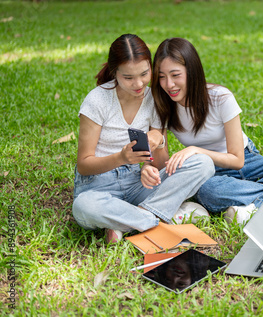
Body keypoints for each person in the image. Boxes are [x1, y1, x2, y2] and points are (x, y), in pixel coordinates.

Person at [150, 37, 263, 224]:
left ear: (192, 71)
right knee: (208, 192)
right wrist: (159, 141)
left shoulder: (220, 98)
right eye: (162, 77)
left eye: (175, 75)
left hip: (248, 161)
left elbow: (237, 160)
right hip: (210, 173)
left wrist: (196, 150)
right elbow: (161, 168)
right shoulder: (163, 106)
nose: (169, 85)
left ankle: (254, 202)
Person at [72, 34, 214, 243]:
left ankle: (127, 221)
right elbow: (84, 165)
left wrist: (156, 147)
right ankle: (159, 217)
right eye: (128, 77)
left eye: (144, 74)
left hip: (135, 184)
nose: (138, 83)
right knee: (84, 206)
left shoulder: (154, 99)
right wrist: (121, 157)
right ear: (115, 73)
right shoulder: (97, 100)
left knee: (203, 163)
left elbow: (156, 164)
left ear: (151, 67)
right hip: (97, 187)